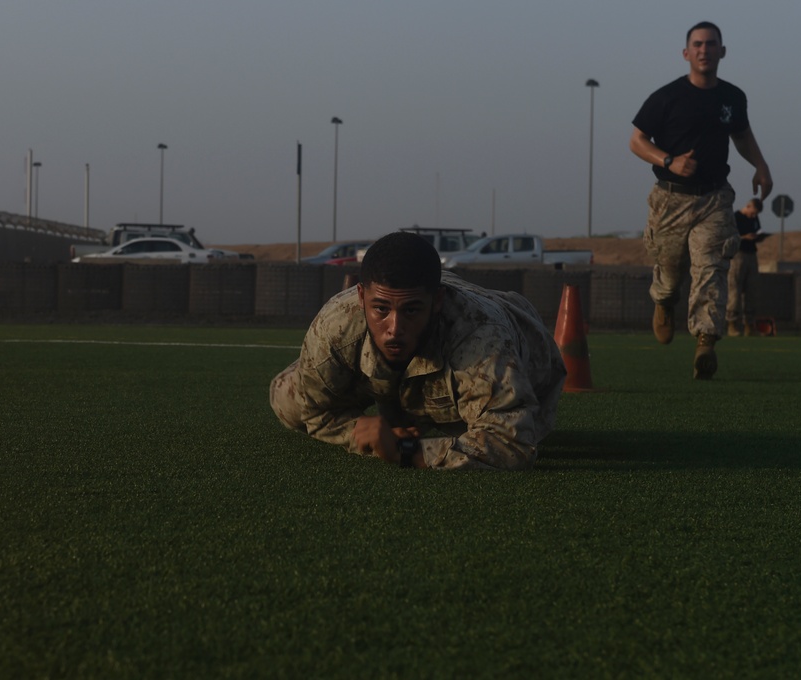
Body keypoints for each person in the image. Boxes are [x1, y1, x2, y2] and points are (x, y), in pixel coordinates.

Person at [269, 231, 567, 471]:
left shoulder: (481, 338)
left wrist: (406, 451)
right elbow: (314, 412)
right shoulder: (334, 328)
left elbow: (512, 444)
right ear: (361, 297)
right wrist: (361, 431)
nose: (395, 328)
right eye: (381, 309)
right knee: (286, 400)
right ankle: (401, 414)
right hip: (391, 382)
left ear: (437, 301)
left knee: (493, 432)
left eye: (411, 310)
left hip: (516, 348)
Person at [629, 20, 773, 379]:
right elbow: (636, 141)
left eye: (711, 44)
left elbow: (741, 133)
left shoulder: (733, 97)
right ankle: (663, 301)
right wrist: (668, 160)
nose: (704, 50)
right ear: (686, 53)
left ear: (722, 51)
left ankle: (705, 341)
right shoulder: (665, 97)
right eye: (698, 44)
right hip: (670, 200)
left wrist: (760, 164)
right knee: (670, 270)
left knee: (711, 267)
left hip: (714, 198)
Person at [727, 198, 764, 336]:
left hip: (751, 254)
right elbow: (729, 235)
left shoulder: (755, 219)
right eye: (753, 212)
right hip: (738, 254)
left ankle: (749, 325)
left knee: (752, 290)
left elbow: (757, 229)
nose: (754, 216)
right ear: (748, 206)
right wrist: (744, 237)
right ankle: (732, 324)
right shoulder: (735, 217)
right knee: (734, 290)